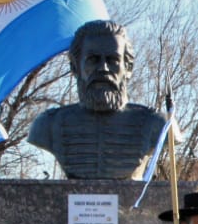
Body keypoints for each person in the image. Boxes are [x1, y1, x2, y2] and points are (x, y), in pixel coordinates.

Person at [28, 20, 166, 179]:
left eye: (112, 60)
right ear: (75, 67)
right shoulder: (47, 126)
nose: (103, 68)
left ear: (128, 68)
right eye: (93, 60)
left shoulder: (158, 125)